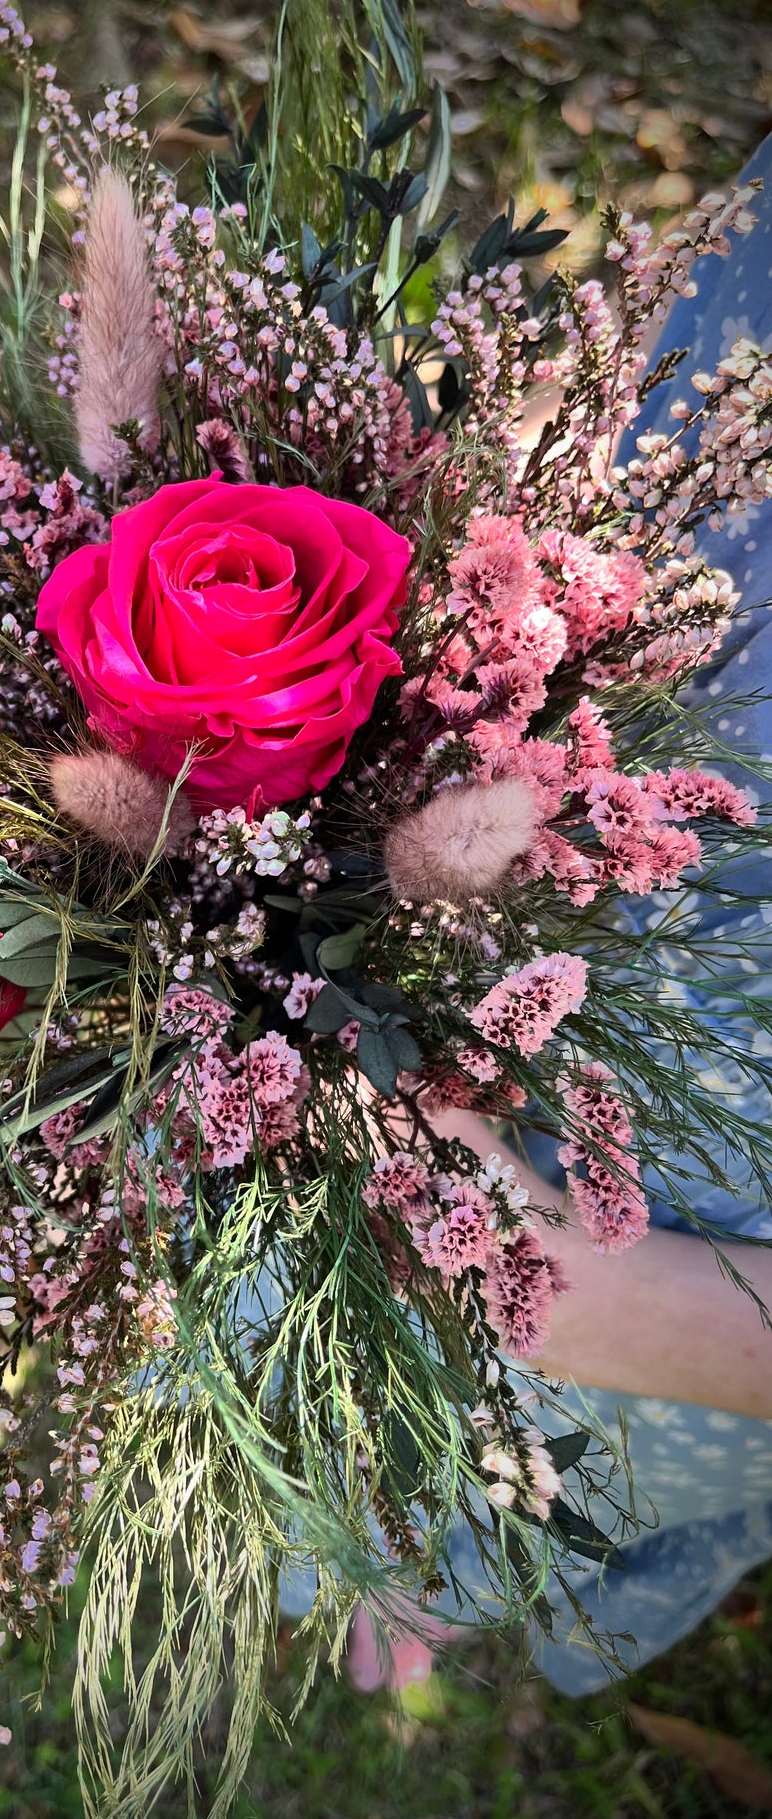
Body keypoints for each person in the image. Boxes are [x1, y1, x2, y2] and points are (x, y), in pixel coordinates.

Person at [288, 135, 772, 1694]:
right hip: (565, 740)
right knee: (314, 1191)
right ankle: (324, 1467)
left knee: (554, 1439)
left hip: (693, 1275)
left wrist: (651, 1324)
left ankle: (449, 1556)